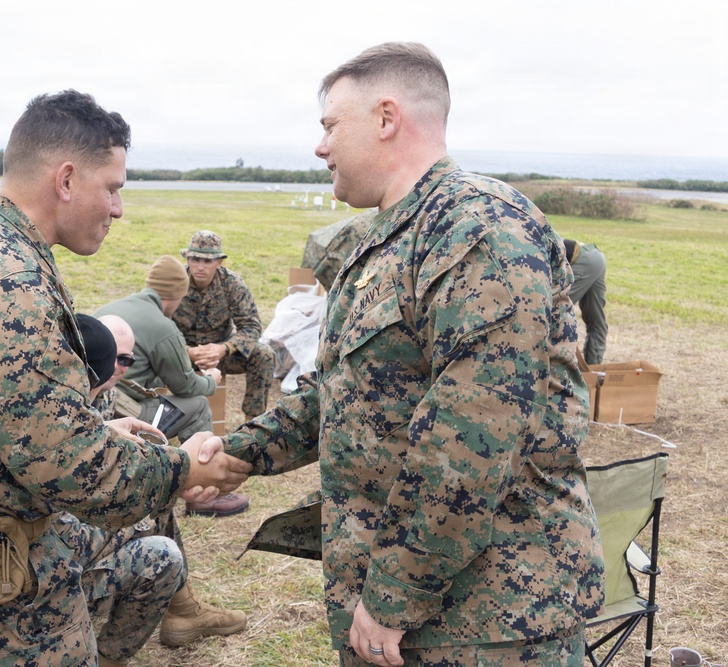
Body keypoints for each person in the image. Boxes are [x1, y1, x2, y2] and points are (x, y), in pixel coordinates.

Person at [212, 42, 604, 666]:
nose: (320, 147)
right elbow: (348, 391)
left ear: (387, 118)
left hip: (483, 620)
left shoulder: (480, 230)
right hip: (411, 609)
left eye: (330, 125)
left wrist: (396, 594)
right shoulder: (386, 240)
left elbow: (472, 434)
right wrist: (238, 453)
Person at [0, 90, 251, 667]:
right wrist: (184, 467)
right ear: (65, 180)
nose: (118, 208)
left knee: (152, 554)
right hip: (4, 585)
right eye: (112, 187)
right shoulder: (6, 281)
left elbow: (17, 423)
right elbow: (70, 468)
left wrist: (104, 430)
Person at [76, 313, 249, 647]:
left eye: (127, 359)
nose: (119, 367)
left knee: (152, 497)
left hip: (71, 520)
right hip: (49, 544)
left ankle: (183, 609)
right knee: (157, 536)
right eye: (110, 358)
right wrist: (180, 473)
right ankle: (177, 612)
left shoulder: (104, 392)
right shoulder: (59, 403)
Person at [95, 255, 250, 518]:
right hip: (120, 416)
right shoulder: (163, 327)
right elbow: (187, 386)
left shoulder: (114, 307)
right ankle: (203, 491)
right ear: (178, 294)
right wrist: (211, 380)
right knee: (198, 405)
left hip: (95, 408)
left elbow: (137, 372)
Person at [172, 230, 276, 420]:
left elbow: (251, 326)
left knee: (264, 355)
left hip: (220, 355)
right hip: (180, 355)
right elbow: (158, 326)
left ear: (218, 262)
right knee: (144, 355)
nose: (200, 267)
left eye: (208, 261)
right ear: (187, 259)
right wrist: (187, 351)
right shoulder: (174, 281)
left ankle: (253, 423)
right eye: (195, 259)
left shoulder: (232, 284)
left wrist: (224, 348)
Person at [563, 239, 608, 365]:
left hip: (582, 260)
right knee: (596, 320)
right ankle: (593, 370)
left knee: (554, 311)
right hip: (596, 256)